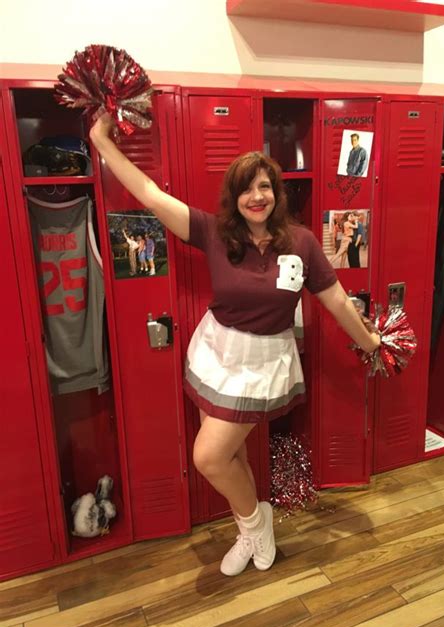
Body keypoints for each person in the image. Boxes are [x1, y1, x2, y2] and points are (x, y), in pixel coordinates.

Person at [90, 113, 380, 577]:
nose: (256, 197)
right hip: (216, 351)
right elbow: (150, 194)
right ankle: (254, 527)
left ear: (276, 193)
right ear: (235, 197)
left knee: (207, 456)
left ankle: (254, 528)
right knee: (231, 455)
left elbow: (338, 300)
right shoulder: (214, 233)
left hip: (263, 361)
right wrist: (100, 140)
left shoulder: (301, 243)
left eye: (264, 187)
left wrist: (370, 341)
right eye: (246, 189)